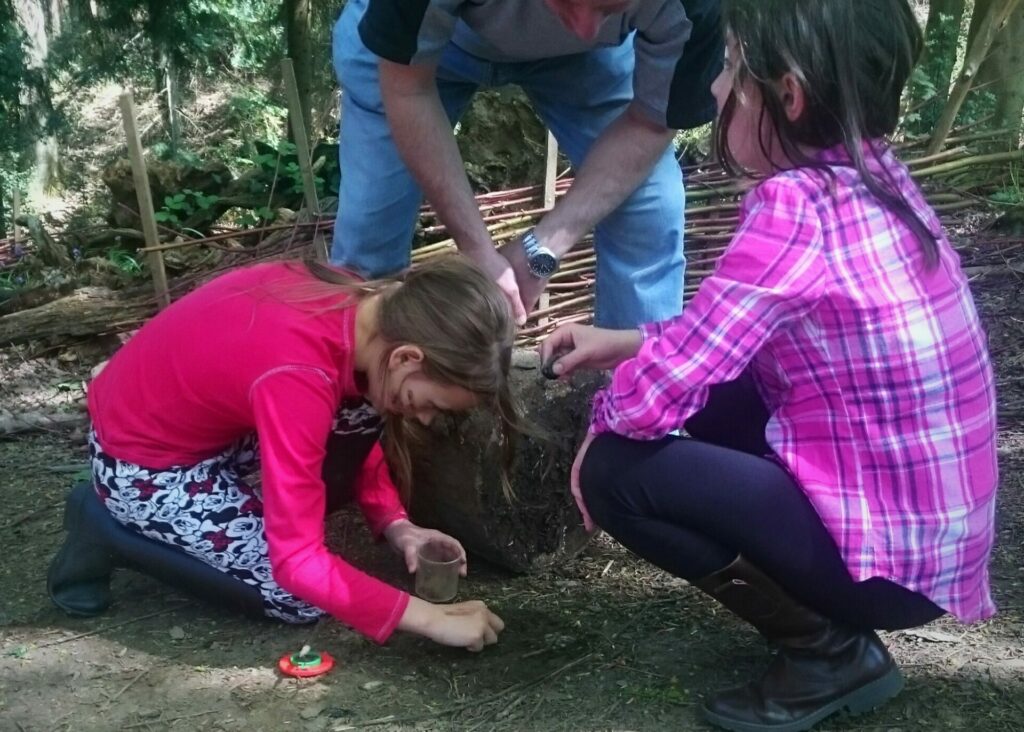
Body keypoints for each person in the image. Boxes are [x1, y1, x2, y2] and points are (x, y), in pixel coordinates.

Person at [541, 0, 998, 728]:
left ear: (786, 95)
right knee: (722, 385)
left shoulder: (794, 206)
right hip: (925, 543)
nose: (716, 91)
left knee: (616, 473)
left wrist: (602, 426)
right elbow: (721, 340)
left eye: (729, 72)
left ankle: (828, 653)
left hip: (883, 571)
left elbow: (668, 386)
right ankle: (827, 629)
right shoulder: (874, 176)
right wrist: (626, 343)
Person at [47, 256, 514, 652]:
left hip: (207, 429)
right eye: (431, 402)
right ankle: (102, 524)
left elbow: (352, 424)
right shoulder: (298, 374)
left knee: (365, 402)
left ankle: (196, 509)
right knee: (297, 597)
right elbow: (297, 564)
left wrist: (396, 525)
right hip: (141, 463)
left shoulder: (368, 308)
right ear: (408, 357)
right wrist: (431, 618)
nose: (426, 419)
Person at [331, 0, 723, 329]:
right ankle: (354, 397)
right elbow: (406, 87)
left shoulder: (692, 6)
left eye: (612, 6)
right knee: (369, 235)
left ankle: (639, 406)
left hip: (591, 62)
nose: (585, 27)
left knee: (648, 208)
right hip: (413, 53)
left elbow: (651, 123)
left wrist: (544, 246)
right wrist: (476, 249)